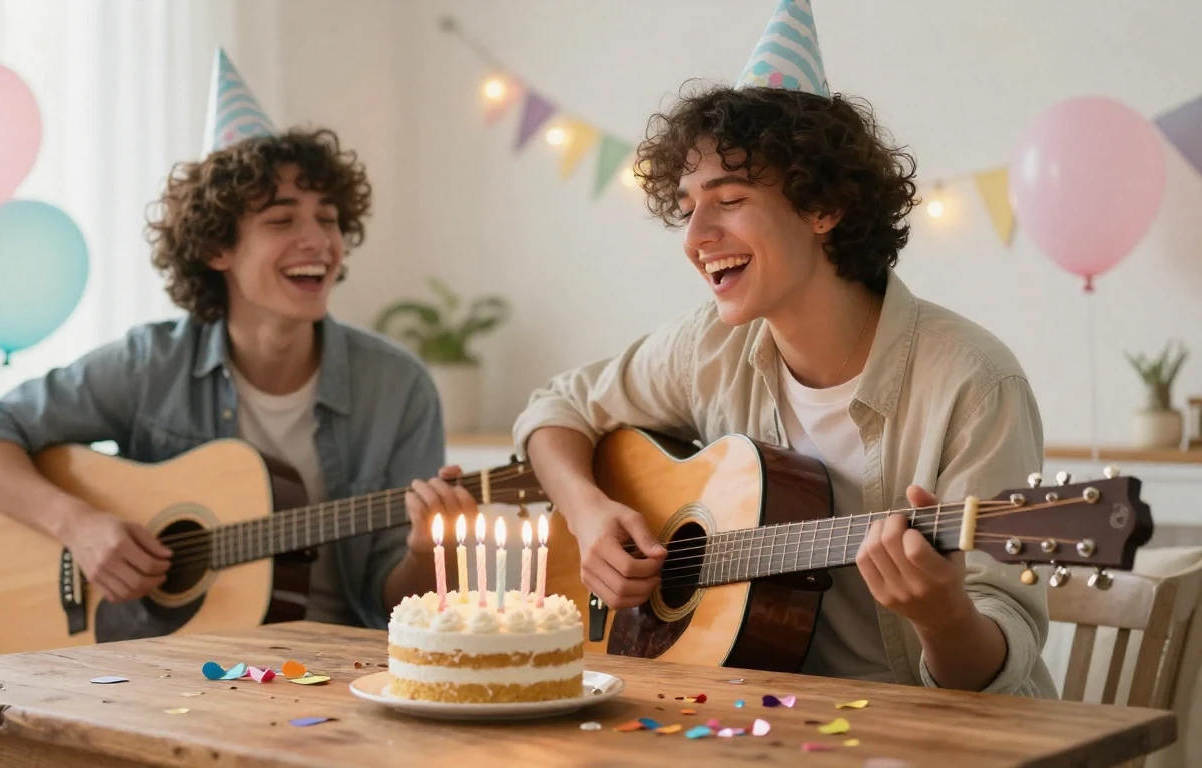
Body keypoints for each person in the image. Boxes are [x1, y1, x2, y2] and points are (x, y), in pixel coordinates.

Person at [410, 0, 1056, 696]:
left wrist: (944, 616)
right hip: (752, 722)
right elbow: (554, 409)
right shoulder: (710, 346)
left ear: (823, 206)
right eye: (687, 208)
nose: (695, 237)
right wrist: (590, 514)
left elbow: (991, 679)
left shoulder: (975, 382)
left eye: (729, 199)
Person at [0, 49, 448, 630]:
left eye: (328, 219)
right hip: (170, 679)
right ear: (217, 250)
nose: (318, 240)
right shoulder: (151, 364)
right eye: (282, 221)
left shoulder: (399, 388)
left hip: (336, 673)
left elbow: (396, 606)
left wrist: (427, 550)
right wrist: (76, 524)